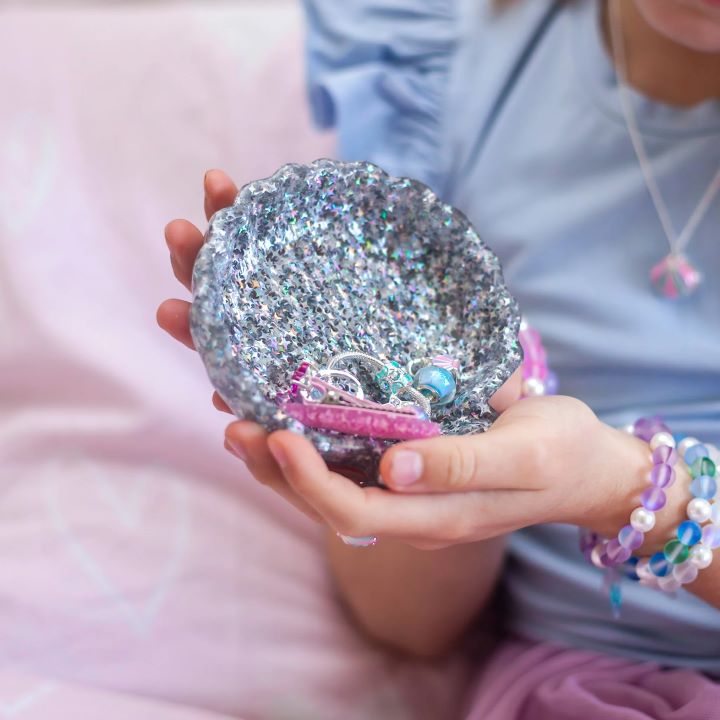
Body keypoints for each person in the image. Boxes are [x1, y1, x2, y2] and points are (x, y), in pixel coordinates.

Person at [157, 0, 720, 710]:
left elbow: (607, 485)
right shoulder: (443, 62)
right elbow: (410, 626)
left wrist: (630, 492)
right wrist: (421, 467)